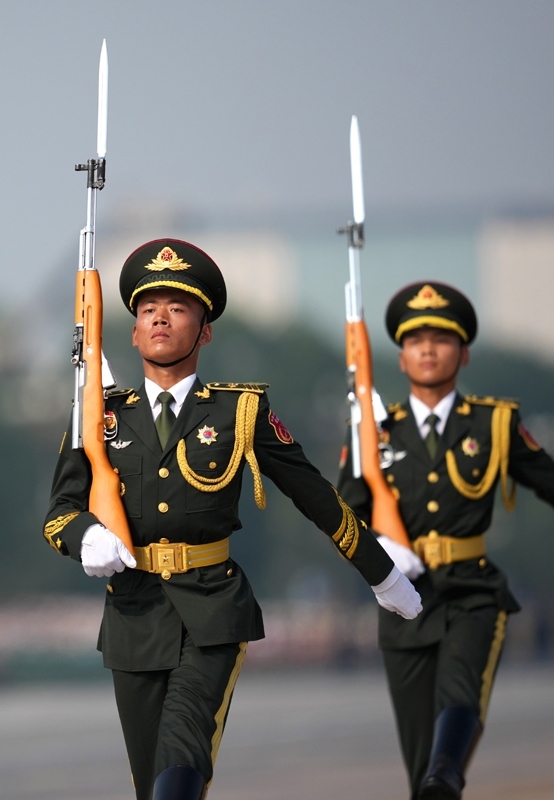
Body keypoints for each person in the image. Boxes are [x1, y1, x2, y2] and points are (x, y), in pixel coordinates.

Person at [43, 238, 422, 800]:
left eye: (177, 308)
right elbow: (59, 513)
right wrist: (86, 536)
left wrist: (382, 574)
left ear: (205, 331)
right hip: (133, 617)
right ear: (133, 332)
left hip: (212, 612)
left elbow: (314, 495)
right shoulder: (100, 414)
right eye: (148, 310)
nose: (160, 319)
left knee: (182, 756)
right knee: (153, 783)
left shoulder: (240, 410)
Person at [337, 280, 554, 800]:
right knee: (419, 752)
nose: (428, 350)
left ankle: (447, 774)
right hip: (403, 599)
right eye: (416, 341)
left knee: (460, 697)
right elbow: (344, 514)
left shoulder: (494, 423)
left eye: (441, 339)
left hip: (471, 591)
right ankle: (436, 780)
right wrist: (380, 552)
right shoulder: (374, 431)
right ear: (401, 357)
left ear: (464, 352)